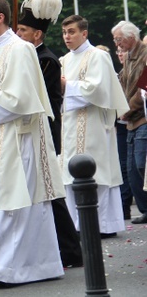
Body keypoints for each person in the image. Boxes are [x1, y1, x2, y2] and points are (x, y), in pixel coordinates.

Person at [0, 0, 65, 288]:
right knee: (13, 205)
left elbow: (22, 100)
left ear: (0, 18)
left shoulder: (20, 50)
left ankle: (0, 270)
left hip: (17, 140)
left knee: (10, 204)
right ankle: (38, 266)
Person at [15, 0, 82, 267]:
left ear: (37, 34)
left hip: (43, 131)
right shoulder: (28, 56)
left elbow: (30, 93)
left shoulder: (46, 60)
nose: (17, 36)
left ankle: (71, 250)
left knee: (50, 191)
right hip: (30, 130)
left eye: (22, 32)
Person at [58, 16, 130, 236]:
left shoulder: (98, 56)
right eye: (64, 32)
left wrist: (66, 85)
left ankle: (103, 225)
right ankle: (78, 225)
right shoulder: (64, 60)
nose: (67, 37)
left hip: (94, 124)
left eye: (71, 32)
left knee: (97, 173)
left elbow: (98, 90)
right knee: (71, 175)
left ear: (84, 33)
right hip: (70, 124)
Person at [112, 20, 147, 224]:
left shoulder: (144, 54)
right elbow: (123, 85)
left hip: (141, 118)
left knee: (141, 165)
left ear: (131, 37)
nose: (117, 43)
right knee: (132, 169)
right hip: (131, 120)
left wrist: (127, 109)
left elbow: (144, 86)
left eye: (119, 39)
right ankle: (144, 209)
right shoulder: (129, 58)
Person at [115, 46, 134, 219]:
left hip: (135, 119)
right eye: (118, 51)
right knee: (125, 166)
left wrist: (127, 109)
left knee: (135, 165)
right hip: (121, 124)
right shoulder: (119, 74)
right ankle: (124, 205)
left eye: (123, 50)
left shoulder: (138, 69)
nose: (120, 54)